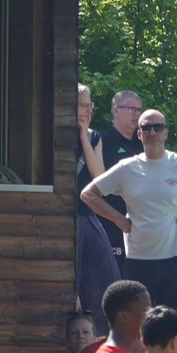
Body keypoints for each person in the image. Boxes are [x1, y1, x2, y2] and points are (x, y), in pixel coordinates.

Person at [81, 108, 177, 353]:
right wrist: (119, 219)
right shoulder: (128, 167)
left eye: (157, 127)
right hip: (139, 260)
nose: (152, 132)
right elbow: (88, 194)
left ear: (166, 132)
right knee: (139, 328)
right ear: (139, 134)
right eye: (146, 128)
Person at [75, 84, 121, 335]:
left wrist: (83, 137)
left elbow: (99, 178)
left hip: (87, 213)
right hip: (66, 216)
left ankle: (102, 332)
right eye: (83, 105)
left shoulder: (94, 137)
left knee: (106, 271)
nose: (88, 111)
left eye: (89, 105)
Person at [95, 90, 145, 265]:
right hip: (112, 224)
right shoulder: (101, 142)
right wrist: (116, 217)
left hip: (142, 225)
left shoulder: (144, 142)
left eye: (139, 110)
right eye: (132, 109)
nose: (136, 114)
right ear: (116, 111)